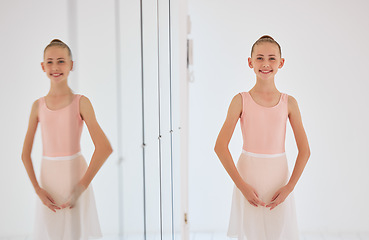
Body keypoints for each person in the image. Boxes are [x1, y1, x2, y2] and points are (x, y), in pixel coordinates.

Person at [214, 35, 310, 240]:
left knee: (279, 231)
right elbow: (220, 147)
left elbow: (305, 151)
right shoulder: (240, 100)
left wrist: (289, 188)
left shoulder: (289, 103)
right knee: (250, 231)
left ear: (281, 63)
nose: (265, 63)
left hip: (278, 177)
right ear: (250, 62)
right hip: (249, 176)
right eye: (259, 58)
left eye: (272, 58)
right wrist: (242, 186)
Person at [21, 39, 113, 240]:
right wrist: (38, 189)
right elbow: (25, 154)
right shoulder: (38, 106)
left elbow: (104, 148)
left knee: (77, 233)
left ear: (72, 65)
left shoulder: (81, 102)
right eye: (50, 61)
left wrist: (81, 186)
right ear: (43, 66)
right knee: (52, 232)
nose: (55, 67)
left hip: (76, 176)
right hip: (49, 180)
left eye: (61, 61)